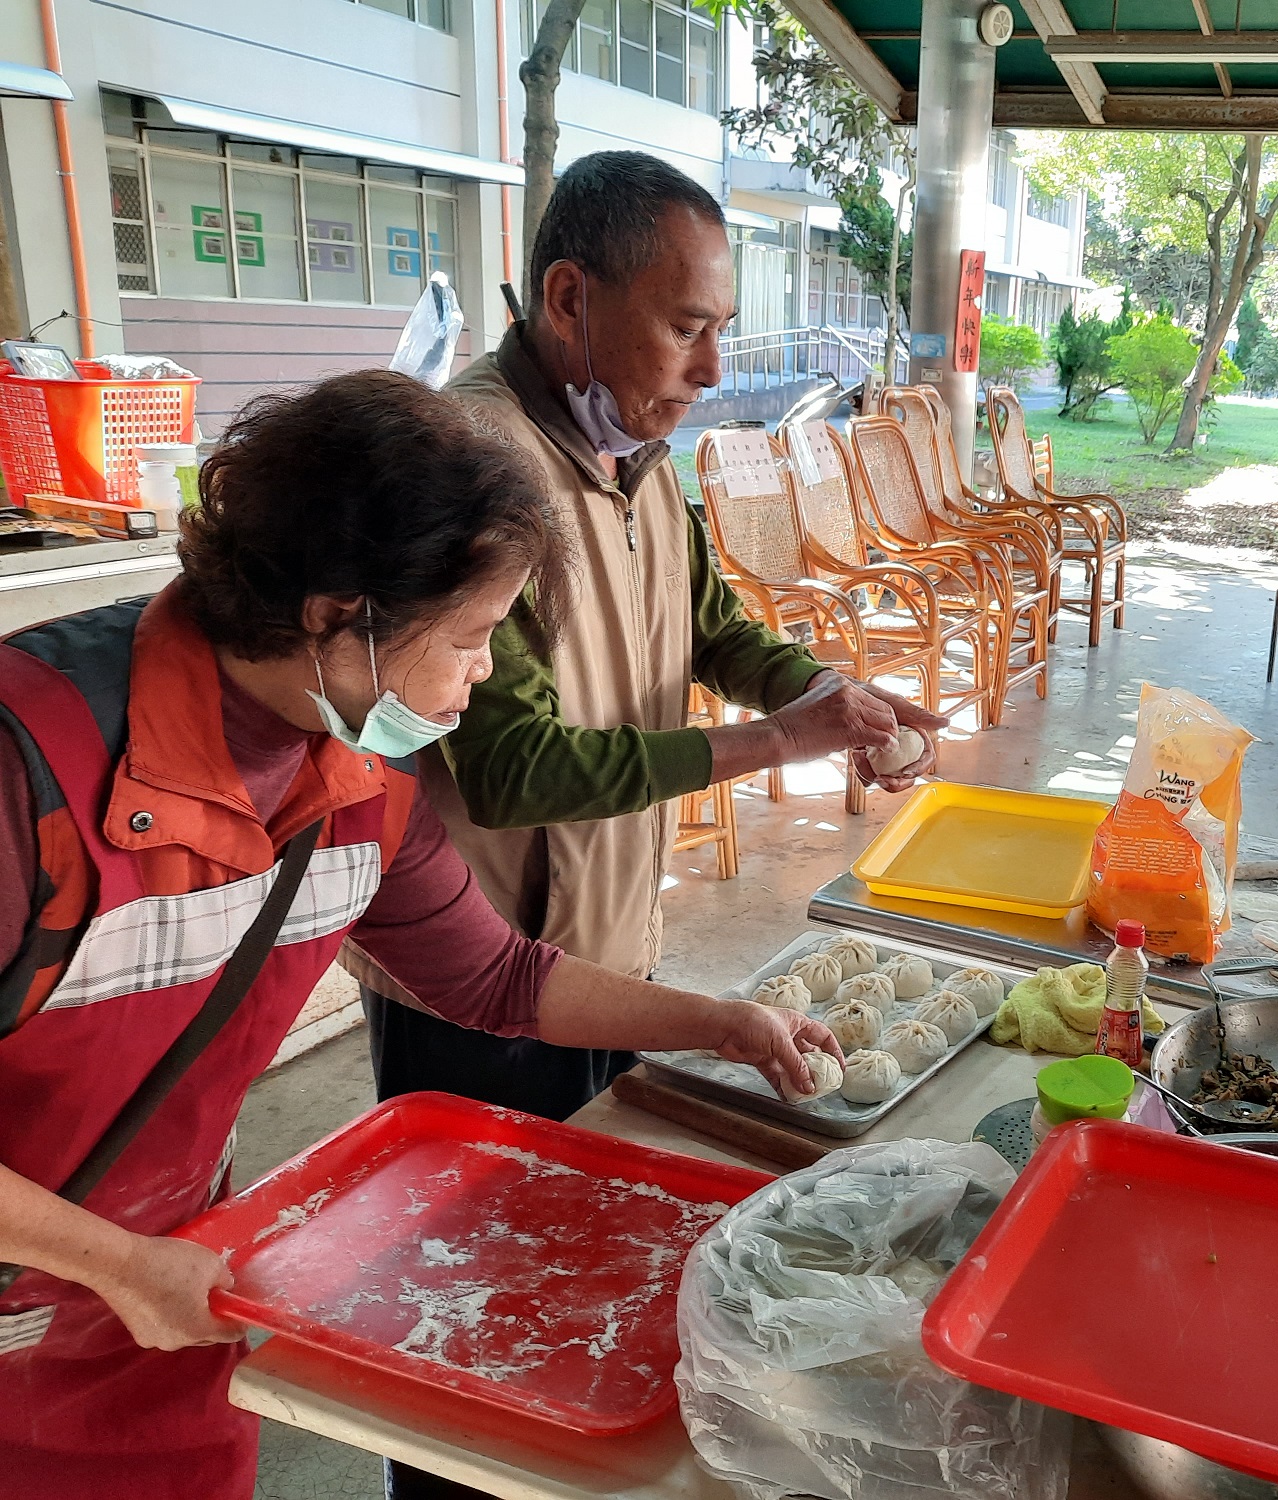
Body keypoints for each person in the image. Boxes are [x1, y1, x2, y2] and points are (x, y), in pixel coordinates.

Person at [0, 372, 837, 1500]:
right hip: (89, 1272)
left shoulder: (356, 778)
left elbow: (494, 978)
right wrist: (117, 1266)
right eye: (475, 636)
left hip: (163, 1282)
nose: (485, 672)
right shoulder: (29, 770)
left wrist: (722, 1024)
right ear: (336, 615)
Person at [358, 150, 945, 1126]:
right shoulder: (464, 462)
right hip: (484, 976)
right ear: (567, 297)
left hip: (611, 946)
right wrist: (772, 743)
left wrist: (831, 702)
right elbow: (509, 771)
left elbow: (710, 627)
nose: (712, 369)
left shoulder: (635, 453)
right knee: (494, 1240)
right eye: (685, 329)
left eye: (720, 331)